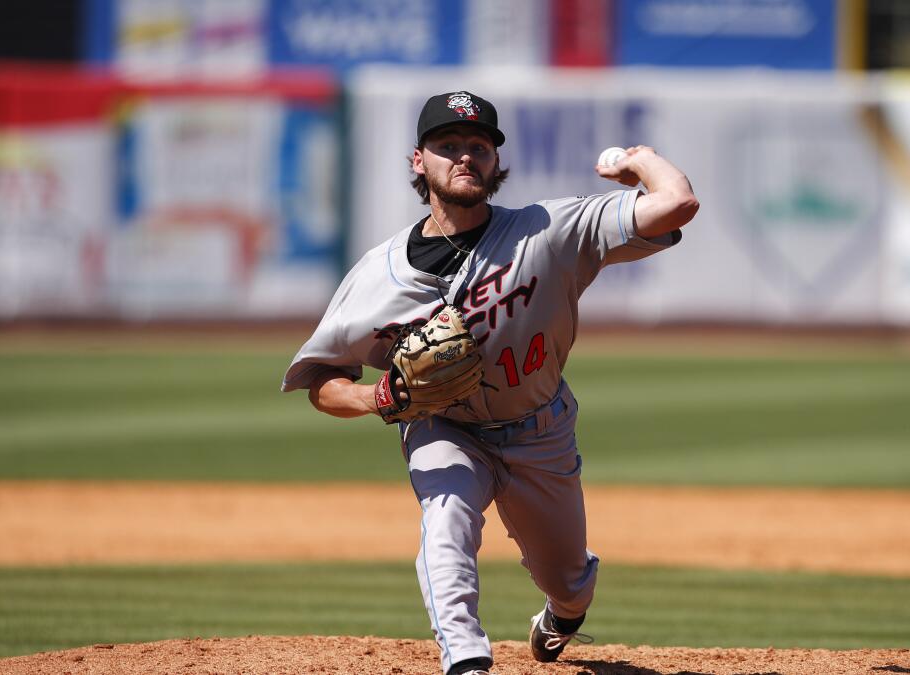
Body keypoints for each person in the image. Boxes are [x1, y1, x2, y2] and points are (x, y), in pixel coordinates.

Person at [282, 91, 698, 675]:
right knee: (446, 511)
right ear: (417, 162)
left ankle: (562, 615)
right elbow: (321, 382)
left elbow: (676, 203)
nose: (465, 157)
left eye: (478, 146)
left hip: (540, 432)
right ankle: (467, 660)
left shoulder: (549, 231)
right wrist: (377, 397)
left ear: (496, 163)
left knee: (570, 582)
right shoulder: (377, 276)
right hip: (445, 426)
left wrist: (639, 160)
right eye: (447, 145)